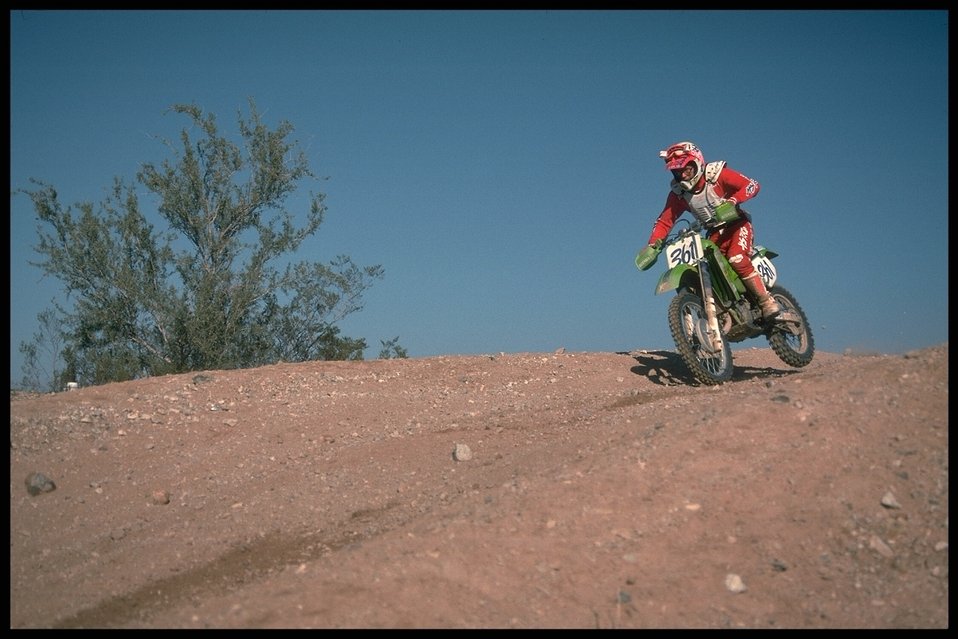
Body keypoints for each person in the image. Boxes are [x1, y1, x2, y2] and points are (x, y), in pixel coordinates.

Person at [643, 140, 783, 320]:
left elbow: (751, 185)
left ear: (697, 162)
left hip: (737, 224)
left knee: (737, 258)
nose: (683, 175)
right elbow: (664, 221)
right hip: (713, 233)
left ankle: (766, 301)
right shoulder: (679, 194)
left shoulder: (716, 175)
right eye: (677, 172)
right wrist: (653, 244)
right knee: (707, 267)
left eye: (687, 168)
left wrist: (733, 200)